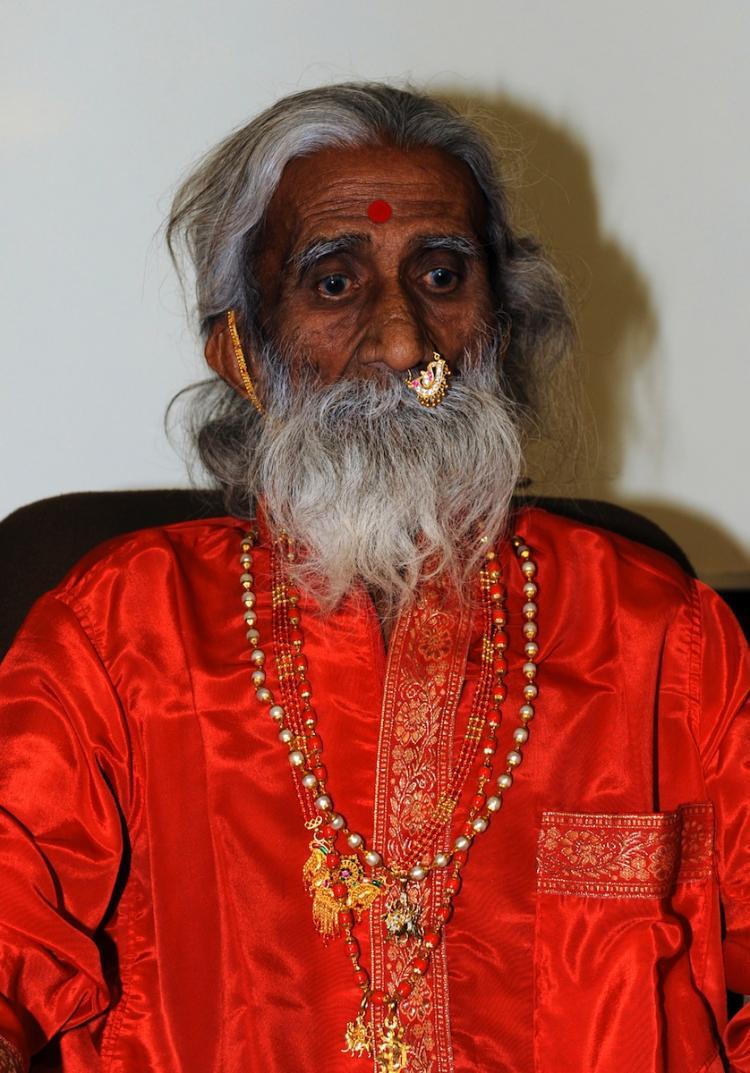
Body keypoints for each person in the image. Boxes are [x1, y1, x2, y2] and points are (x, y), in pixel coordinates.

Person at [0, 83, 747, 1073]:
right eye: (334, 283)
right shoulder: (121, 629)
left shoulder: (662, 637)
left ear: (499, 326)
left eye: (442, 275)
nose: (403, 345)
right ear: (242, 350)